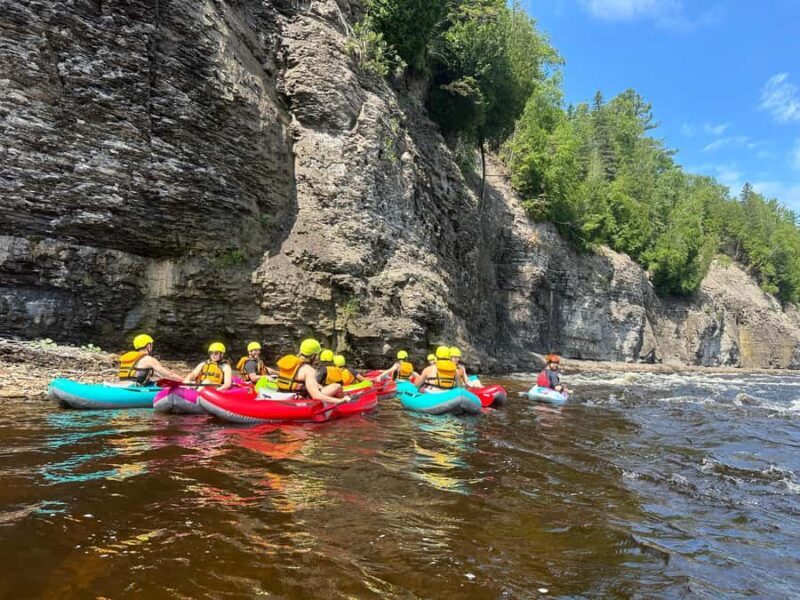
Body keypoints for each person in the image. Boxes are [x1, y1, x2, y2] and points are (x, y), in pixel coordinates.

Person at [274, 338, 349, 403]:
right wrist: (340, 401)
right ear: (313, 355)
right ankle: (343, 405)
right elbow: (316, 396)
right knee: (338, 386)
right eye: (317, 355)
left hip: (282, 396)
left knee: (320, 387)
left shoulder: (288, 362)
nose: (317, 358)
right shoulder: (309, 370)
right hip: (300, 400)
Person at [118, 333, 184, 385]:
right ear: (148, 346)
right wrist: (184, 380)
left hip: (122, 385)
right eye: (151, 344)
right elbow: (169, 374)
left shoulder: (129, 358)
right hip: (134, 387)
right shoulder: (148, 359)